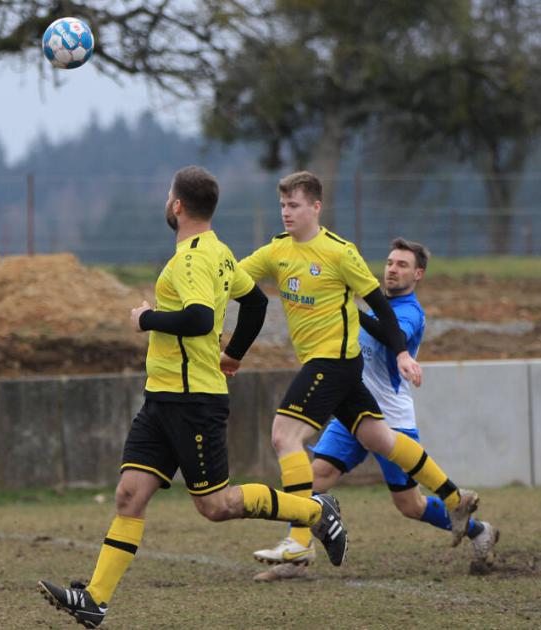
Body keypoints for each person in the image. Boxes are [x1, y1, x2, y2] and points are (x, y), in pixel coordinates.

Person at [37, 166, 348, 629]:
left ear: (177, 205)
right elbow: (256, 303)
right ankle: (94, 600)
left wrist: (147, 319)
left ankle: (314, 510)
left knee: (215, 506)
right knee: (129, 494)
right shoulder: (220, 252)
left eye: (168, 196)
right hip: (162, 398)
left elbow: (201, 319)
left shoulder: (193, 259)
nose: (167, 202)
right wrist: (235, 355)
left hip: (193, 401)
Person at [232, 172, 479, 572]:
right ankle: (455, 500)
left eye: (293, 205)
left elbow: (380, 307)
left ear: (315, 207)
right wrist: (201, 286)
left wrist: (401, 354)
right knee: (381, 438)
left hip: (334, 363)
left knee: (284, 434)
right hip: (338, 368)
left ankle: (298, 542)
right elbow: (236, 279)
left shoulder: (340, 253)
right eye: (282, 205)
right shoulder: (276, 251)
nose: (286, 213)